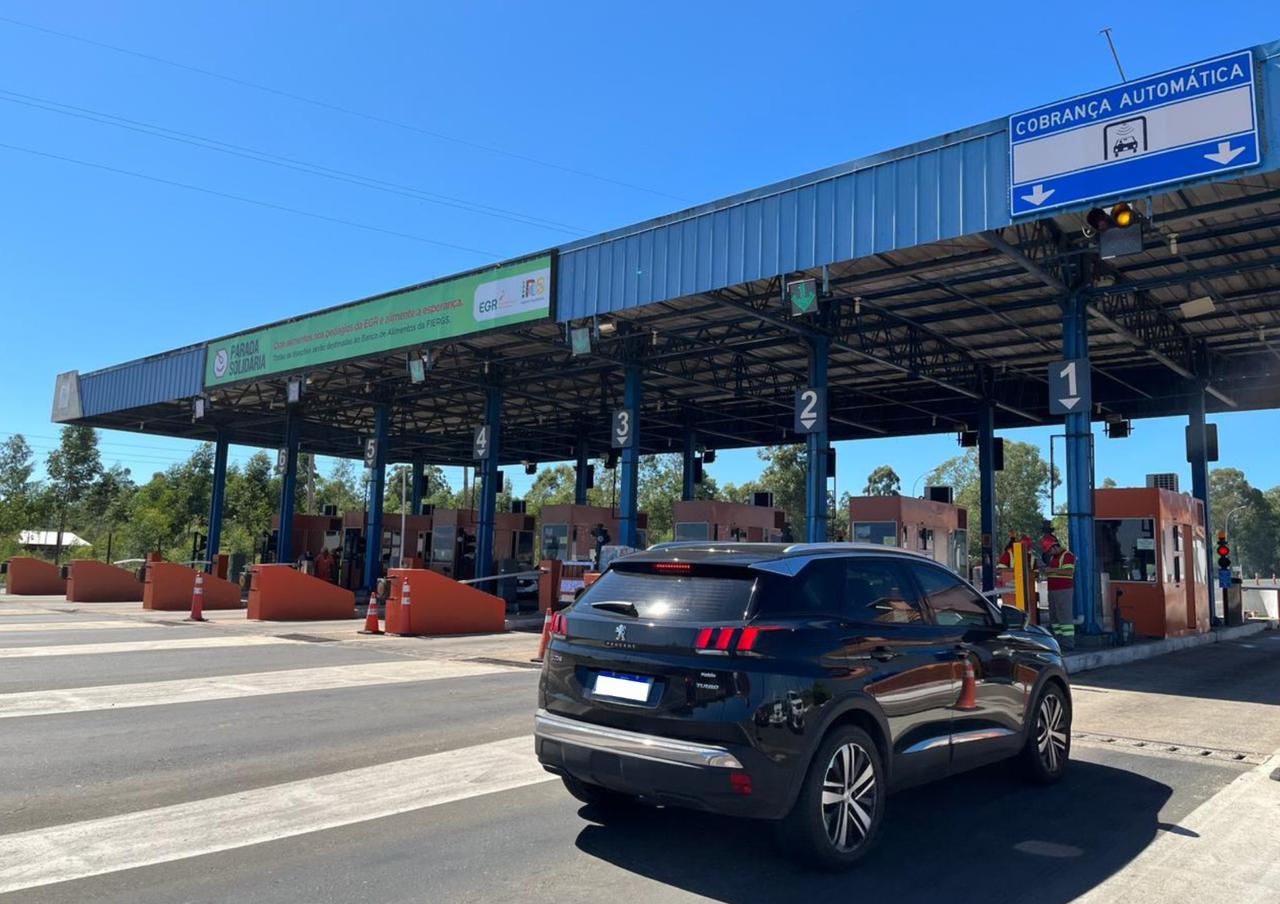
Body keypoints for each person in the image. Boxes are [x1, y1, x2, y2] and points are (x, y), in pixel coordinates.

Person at [1043, 535, 1076, 649]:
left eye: (1050, 550)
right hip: (1053, 591)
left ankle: (1068, 643)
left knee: (1065, 617)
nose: (1050, 553)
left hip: (1063, 591)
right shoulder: (1054, 558)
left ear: (1055, 546)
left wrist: (1051, 570)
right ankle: (1058, 642)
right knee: (1055, 618)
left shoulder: (1067, 556)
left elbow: (1069, 571)